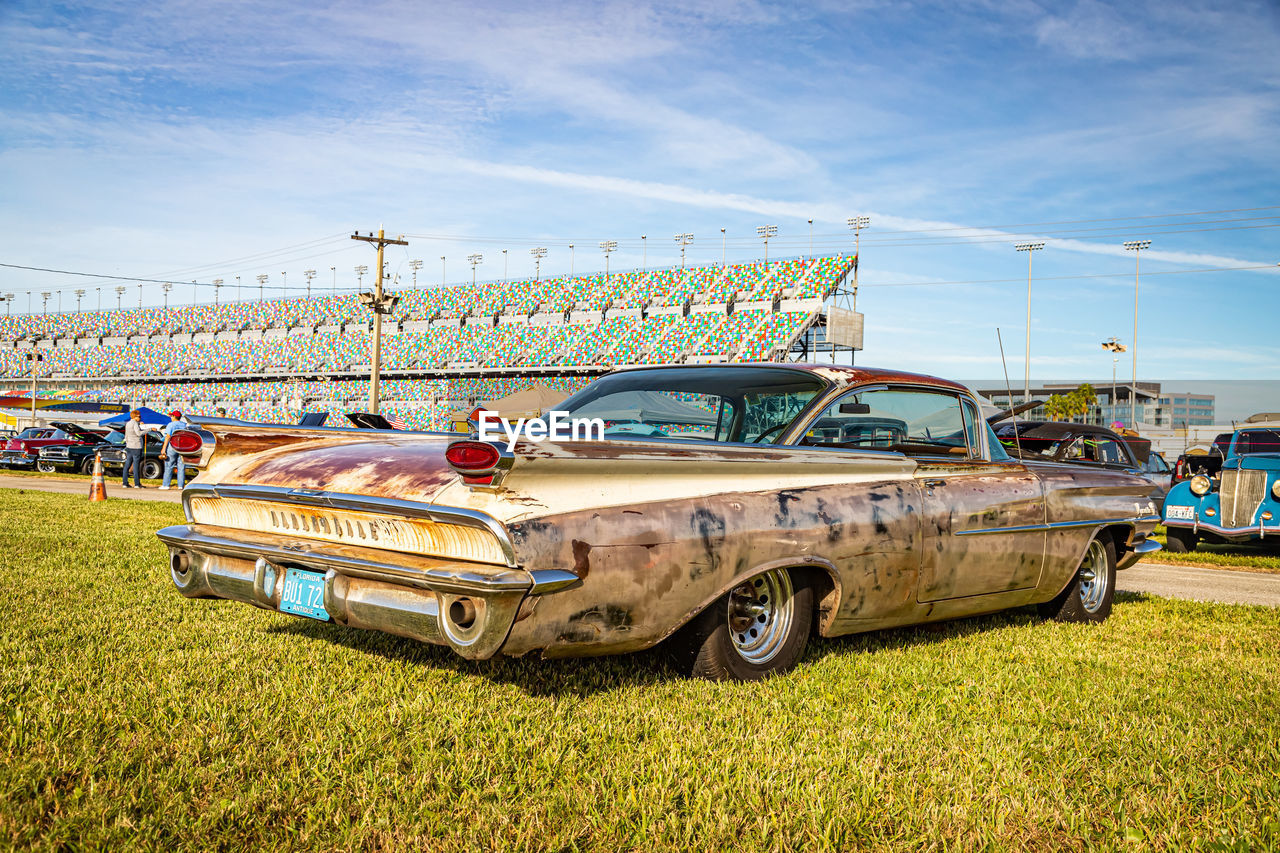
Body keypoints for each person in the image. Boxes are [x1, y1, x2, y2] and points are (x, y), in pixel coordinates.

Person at [159, 410, 188, 490]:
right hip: (182, 447)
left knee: (169, 465)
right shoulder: (185, 425)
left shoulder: (171, 425)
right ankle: (180, 485)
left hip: (172, 446)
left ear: (174, 417)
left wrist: (164, 448)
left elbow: (168, 436)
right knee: (181, 467)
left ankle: (166, 484)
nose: (171, 417)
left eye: (171, 416)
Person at [122, 409, 145, 488]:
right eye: (139, 416)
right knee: (136, 466)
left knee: (127, 465)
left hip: (129, 446)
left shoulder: (128, 423)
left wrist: (139, 424)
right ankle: (137, 483)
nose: (140, 418)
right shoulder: (135, 423)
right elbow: (138, 433)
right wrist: (149, 430)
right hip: (136, 446)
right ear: (135, 417)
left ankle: (125, 483)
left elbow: (127, 435)